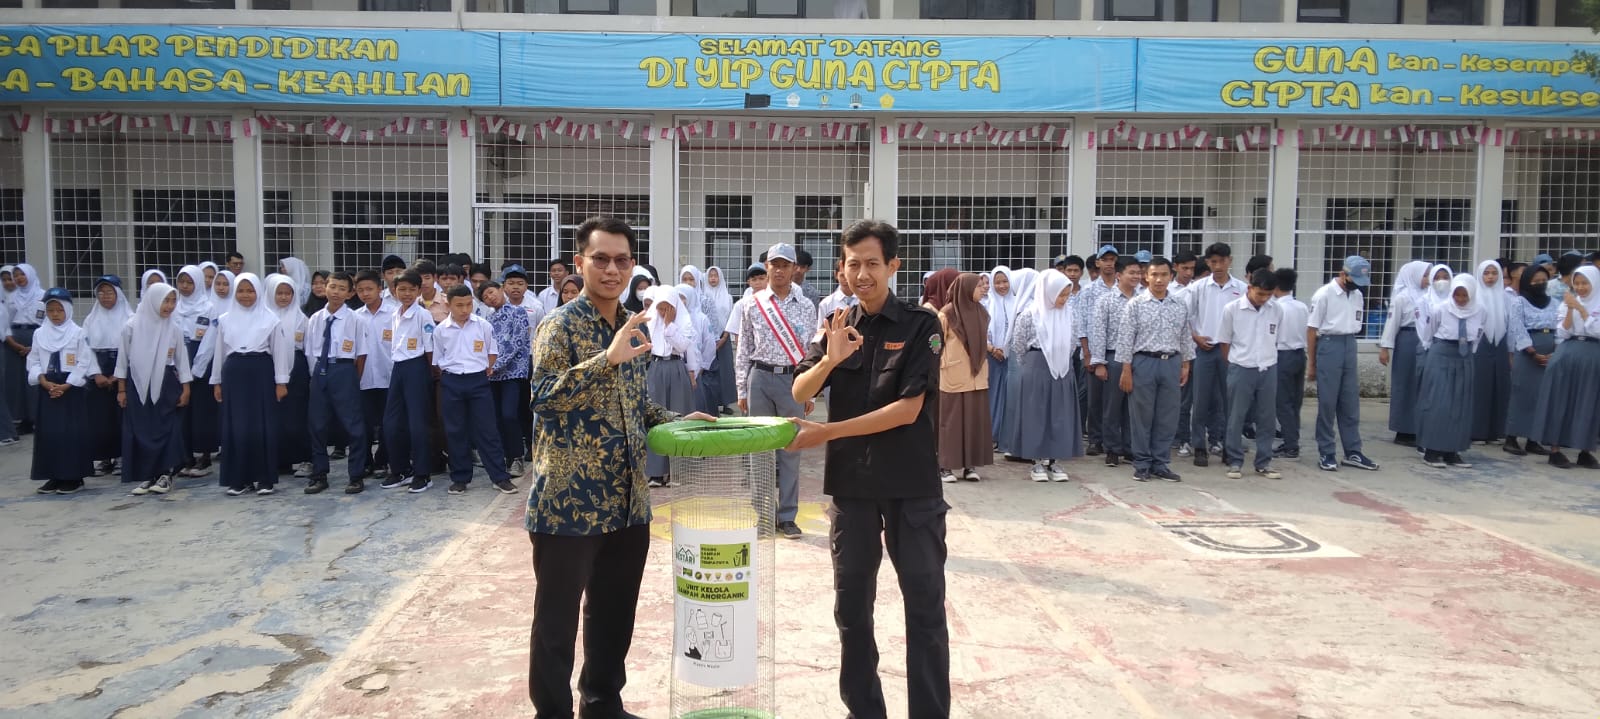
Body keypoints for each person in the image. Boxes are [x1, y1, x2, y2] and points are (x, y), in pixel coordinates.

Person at [526, 217, 712, 719]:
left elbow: (635, 405)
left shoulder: (635, 323)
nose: (612, 269)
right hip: (569, 501)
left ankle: (602, 703)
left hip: (628, 500)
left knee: (613, 614)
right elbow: (543, 398)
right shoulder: (560, 325)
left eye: (622, 260)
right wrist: (604, 360)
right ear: (580, 261)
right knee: (556, 623)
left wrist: (677, 421)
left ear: (633, 266)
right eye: (601, 259)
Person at [789, 219, 949, 719]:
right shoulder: (836, 325)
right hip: (852, 488)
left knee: (924, 609)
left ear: (893, 266)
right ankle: (864, 710)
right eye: (853, 264)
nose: (862, 274)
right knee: (852, 609)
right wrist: (830, 360)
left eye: (872, 264)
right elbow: (800, 391)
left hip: (911, 488)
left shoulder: (922, 326)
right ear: (841, 268)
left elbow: (907, 409)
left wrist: (827, 433)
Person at [735, 242, 818, 538]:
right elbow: (743, 348)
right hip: (759, 378)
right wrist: (741, 389)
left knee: (792, 448)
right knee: (760, 449)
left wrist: (810, 391)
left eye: (785, 265)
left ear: (794, 268)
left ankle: (787, 516)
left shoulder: (806, 305)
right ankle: (763, 515)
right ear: (767, 267)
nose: (779, 270)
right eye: (774, 264)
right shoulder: (752, 303)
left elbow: (811, 351)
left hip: (792, 381)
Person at [210, 273, 292, 497]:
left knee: (262, 425)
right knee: (236, 425)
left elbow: (279, 352)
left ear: (258, 292)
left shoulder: (270, 319)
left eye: (250, 290)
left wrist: (281, 382)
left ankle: (264, 479)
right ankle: (239, 479)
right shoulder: (225, 319)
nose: (245, 295)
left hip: (261, 372)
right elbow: (219, 352)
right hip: (234, 373)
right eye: (241, 290)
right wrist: (216, 381)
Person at [434, 285, 518, 495]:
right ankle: (460, 477)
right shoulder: (441, 330)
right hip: (452, 381)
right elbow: (438, 359)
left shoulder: (483, 325)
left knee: (487, 430)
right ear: (449, 305)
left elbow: (492, 352)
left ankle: (499, 476)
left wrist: (485, 369)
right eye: (459, 305)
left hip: (478, 381)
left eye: (468, 304)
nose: (464, 309)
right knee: (456, 431)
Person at [1115, 257, 1192, 482]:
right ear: (1146, 277)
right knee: (1141, 416)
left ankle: (1161, 463)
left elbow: (1185, 335)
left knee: (1167, 416)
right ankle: (1142, 463)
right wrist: (1126, 370)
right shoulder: (1136, 304)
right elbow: (1125, 339)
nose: (1159, 280)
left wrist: (1186, 364)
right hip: (1143, 362)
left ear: (1171, 276)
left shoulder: (1179, 304)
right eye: (1154, 275)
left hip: (1171, 362)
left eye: (1164, 275)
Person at [1007, 269, 1083, 482]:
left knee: (1060, 413)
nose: (1063, 299)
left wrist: (1060, 359)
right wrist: (1033, 363)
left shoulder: (1070, 314)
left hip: (1062, 368)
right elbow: (1019, 345)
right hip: (1037, 365)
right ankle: (1037, 462)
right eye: (1060, 295)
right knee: (1036, 413)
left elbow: (1073, 343)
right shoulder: (1030, 314)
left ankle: (1055, 460)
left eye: (1066, 295)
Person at [117, 282, 192, 496]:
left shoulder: (174, 328)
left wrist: (186, 388)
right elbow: (122, 360)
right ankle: (148, 475)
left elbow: (182, 361)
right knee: (142, 429)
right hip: (138, 383)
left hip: (166, 383)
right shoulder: (131, 326)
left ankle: (167, 474)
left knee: (167, 428)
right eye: (165, 301)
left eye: (173, 301)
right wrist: (121, 389)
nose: (169, 306)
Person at [1307, 256, 1381, 473]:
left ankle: (1353, 451)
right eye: (1353, 280)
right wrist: (1312, 363)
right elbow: (1311, 330)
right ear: (1343, 274)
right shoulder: (1324, 295)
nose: (1357, 285)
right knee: (1328, 403)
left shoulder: (1357, 295)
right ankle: (1326, 451)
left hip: (1350, 343)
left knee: (1350, 402)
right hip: (1329, 343)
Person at [304, 272, 370, 495]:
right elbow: (310, 351)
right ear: (325, 288)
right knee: (317, 424)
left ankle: (356, 475)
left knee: (353, 425)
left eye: (342, 288)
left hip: (344, 369)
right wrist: (316, 375)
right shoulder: (315, 319)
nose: (336, 292)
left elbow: (361, 354)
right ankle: (319, 474)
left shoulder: (356, 320)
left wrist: (353, 379)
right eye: (332, 286)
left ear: (350, 293)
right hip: (320, 370)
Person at [1529, 266, 1600, 470]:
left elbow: (1597, 330)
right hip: (1568, 352)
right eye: (1577, 283)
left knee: (1588, 401)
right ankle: (1555, 450)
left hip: (1593, 353)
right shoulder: (1566, 304)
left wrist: (1582, 310)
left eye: (1585, 283)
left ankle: (1585, 450)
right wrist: (1570, 308)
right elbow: (1563, 332)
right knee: (1560, 399)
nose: (1580, 287)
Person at [1217, 269, 1283, 480]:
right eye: (1260, 294)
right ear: (1250, 288)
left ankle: (1264, 462)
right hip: (1241, 367)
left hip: (1268, 367)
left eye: (1268, 295)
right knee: (1236, 416)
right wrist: (1235, 364)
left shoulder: (1276, 309)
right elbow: (1224, 342)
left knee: (1267, 417)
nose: (1264, 299)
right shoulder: (1232, 309)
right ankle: (1235, 461)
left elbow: (1276, 338)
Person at [30, 287, 95, 494]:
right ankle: (54, 475)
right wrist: (43, 381)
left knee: (71, 433)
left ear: (67, 310)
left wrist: (67, 385)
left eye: (59, 310)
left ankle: (73, 477)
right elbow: (33, 360)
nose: (55, 315)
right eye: (51, 310)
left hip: (70, 389)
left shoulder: (78, 333)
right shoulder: (39, 334)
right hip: (48, 388)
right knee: (49, 433)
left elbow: (84, 362)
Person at [1187, 243, 1246, 468]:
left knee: (1230, 402)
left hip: (1231, 352)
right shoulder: (1198, 288)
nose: (1218, 266)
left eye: (1222, 261)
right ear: (1207, 263)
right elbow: (1184, 317)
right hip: (1205, 349)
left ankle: (1229, 447)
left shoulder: (1241, 288)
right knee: (1200, 400)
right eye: (1213, 262)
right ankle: (1199, 447)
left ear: (1230, 260)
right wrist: (1195, 337)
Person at [1415, 274, 1484, 469]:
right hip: (1441, 354)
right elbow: (1428, 333)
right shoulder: (1441, 309)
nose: (1460, 299)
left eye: (1465, 295)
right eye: (1457, 295)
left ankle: (1452, 451)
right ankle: (1432, 450)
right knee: (1439, 403)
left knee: (1460, 405)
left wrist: (1469, 352)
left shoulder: (1480, 311)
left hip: (1464, 357)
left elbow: (1478, 334)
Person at [379, 271, 438, 493]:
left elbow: (430, 347)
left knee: (417, 423)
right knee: (391, 422)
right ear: (394, 291)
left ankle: (423, 473)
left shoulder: (423, 315)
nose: (406, 294)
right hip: (398, 368)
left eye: (411, 289)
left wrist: (431, 373)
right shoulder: (395, 313)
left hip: (417, 367)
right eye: (401, 289)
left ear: (418, 290)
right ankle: (400, 469)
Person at [936, 273, 993, 483]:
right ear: (966, 288)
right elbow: (934, 341)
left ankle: (970, 466)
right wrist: (940, 360)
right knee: (951, 422)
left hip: (976, 375)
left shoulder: (981, 312)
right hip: (953, 374)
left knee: (973, 421)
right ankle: (946, 466)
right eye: (978, 286)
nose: (983, 289)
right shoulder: (947, 314)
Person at [1087, 256, 1142, 469]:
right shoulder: (1106, 301)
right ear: (1119, 275)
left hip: (1139, 358)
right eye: (1132, 272)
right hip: (1114, 357)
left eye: (1138, 273)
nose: (1136, 276)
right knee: (1112, 406)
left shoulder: (1143, 300)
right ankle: (1112, 448)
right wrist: (1100, 362)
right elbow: (1098, 332)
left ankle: (1130, 447)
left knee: (1133, 407)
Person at [1504, 265, 1559, 457]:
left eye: (1544, 280)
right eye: (1536, 281)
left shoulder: (1554, 303)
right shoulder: (1519, 302)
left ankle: (1533, 440)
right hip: (1528, 353)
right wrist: (1532, 351)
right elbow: (1517, 327)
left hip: (1549, 353)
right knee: (1522, 395)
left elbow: (1559, 327)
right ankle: (1511, 438)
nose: (1540, 284)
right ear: (1527, 282)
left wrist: (1555, 352)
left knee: (1542, 396)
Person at [481, 279, 531, 475]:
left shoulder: (518, 312)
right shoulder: (488, 319)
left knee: (510, 414)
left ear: (501, 289)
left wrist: (495, 365)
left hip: (512, 373)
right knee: (497, 417)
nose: (490, 297)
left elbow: (516, 342)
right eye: (485, 297)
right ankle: (505, 456)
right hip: (492, 375)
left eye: (491, 292)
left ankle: (517, 457)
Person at [1378, 261, 1431, 447]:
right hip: (1407, 339)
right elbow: (1392, 322)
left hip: (1425, 340)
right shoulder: (1403, 297)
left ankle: (1419, 428)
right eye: (1425, 275)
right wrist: (1385, 347)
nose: (1428, 279)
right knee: (1405, 384)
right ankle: (1403, 430)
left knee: (1422, 384)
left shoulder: (1429, 295)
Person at [84, 275, 132, 477]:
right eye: (101, 293)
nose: (105, 296)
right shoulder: (90, 320)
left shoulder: (129, 319)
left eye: (109, 292)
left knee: (121, 415)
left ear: (118, 294)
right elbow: (85, 349)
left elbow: (131, 348)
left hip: (121, 368)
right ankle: (104, 458)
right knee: (100, 417)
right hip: (98, 370)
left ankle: (122, 456)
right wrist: (96, 374)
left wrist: (118, 375)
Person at [185, 267, 230, 477]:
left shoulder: (209, 308)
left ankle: (204, 456)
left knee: (204, 412)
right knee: (184, 412)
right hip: (180, 360)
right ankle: (185, 456)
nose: (185, 286)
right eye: (182, 281)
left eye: (190, 282)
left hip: (204, 361)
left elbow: (210, 341)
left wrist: (197, 368)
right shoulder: (174, 306)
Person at [266, 274, 312, 478]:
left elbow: (309, 348)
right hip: (270, 368)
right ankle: (280, 460)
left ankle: (304, 458)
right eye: (279, 293)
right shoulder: (264, 317)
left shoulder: (302, 319)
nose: (284, 297)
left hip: (297, 370)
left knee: (297, 415)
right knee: (275, 416)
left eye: (288, 293)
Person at [354, 270, 398, 476]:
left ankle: (382, 460)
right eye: (361, 290)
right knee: (363, 423)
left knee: (388, 423)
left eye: (369, 289)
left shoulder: (394, 314)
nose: (365, 293)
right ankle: (365, 461)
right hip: (363, 379)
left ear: (380, 289)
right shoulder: (355, 317)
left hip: (388, 376)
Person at [1079, 246, 1119, 456]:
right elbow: (1082, 323)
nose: (1109, 263)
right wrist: (1087, 354)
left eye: (1112, 259)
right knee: (1095, 399)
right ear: (1098, 263)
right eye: (1105, 260)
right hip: (1094, 351)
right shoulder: (1089, 290)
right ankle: (1095, 439)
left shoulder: (1123, 288)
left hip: (1118, 351)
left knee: (1115, 400)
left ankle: (1114, 439)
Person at [1470, 260, 1512, 445]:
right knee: (1480, 388)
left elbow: (1510, 324)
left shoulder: (1505, 297)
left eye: (1494, 273)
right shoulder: (1474, 296)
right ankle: (1477, 432)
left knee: (1500, 386)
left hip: (1500, 344)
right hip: (1479, 345)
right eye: (1486, 273)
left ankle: (1496, 431)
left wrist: (1511, 350)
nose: (1490, 277)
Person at [1271, 268, 1310, 462]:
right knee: (1295, 401)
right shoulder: (1301, 306)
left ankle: (1290, 444)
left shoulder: (1276, 308)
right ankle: (1292, 439)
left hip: (1282, 355)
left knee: (1283, 402)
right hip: (1299, 354)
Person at [6, 263, 44, 435]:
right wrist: (13, 343)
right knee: (17, 381)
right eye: (16, 275)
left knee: (33, 378)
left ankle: (36, 418)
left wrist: (33, 345)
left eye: (22, 274)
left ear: (30, 274)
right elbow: (5, 322)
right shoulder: (11, 297)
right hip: (14, 339)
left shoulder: (42, 295)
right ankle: (21, 419)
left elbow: (47, 321)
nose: (19, 278)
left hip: (35, 337)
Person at [984, 265, 1017, 443]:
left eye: (1005, 281)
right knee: (993, 396)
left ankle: (1008, 436)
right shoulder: (987, 304)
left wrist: (1008, 350)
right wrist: (992, 348)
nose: (1002, 286)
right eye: (997, 282)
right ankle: (993, 433)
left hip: (1014, 357)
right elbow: (981, 331)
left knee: (1011, 396)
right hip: (992, 356)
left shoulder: (1018, 303)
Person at [700, 265, 736, 413]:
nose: (713, 279)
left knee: (725, 370)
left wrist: (724, 337)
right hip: (707, 338)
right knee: (710, 369)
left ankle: (726, 403)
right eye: (710, 276)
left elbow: (731, 318)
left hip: (724, 337)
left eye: (715, 276)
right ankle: (711, 402)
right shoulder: (703, 296)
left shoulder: (727, 297)